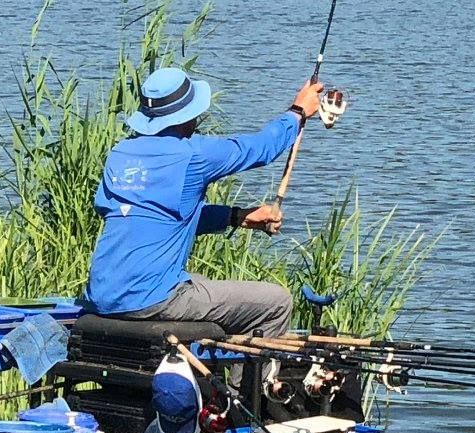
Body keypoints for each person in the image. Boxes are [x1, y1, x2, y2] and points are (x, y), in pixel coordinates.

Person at [81, 65, 324, 338]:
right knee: (276, 302)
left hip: (102, 294)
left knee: (203, 284)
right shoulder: (194, 155)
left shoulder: (121, 153)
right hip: (151, 300)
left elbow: (158, 217)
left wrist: (236, 217)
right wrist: (298, 112)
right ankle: (248, 382)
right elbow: (260, 149)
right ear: (187, 116)